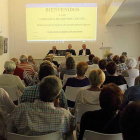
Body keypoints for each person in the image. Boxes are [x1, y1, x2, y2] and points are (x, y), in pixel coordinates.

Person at [7, 76, 74, 136]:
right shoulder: (65, 115)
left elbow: (7, 130)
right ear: (58, 96)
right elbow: (69, 134)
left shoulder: (20, 109)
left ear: (39, 91)